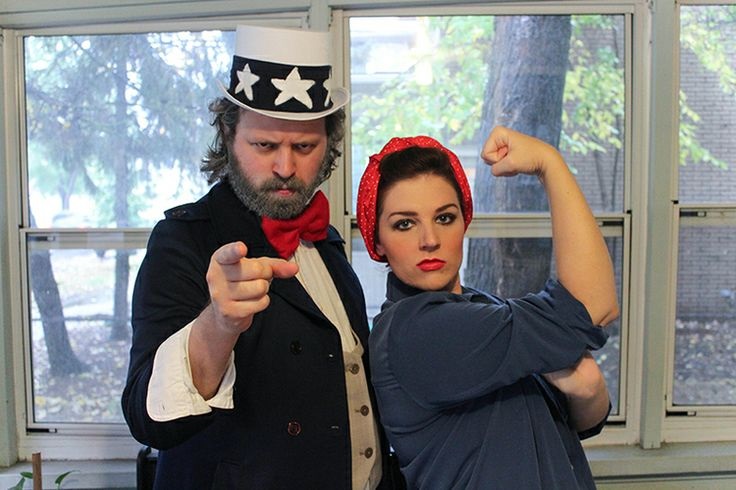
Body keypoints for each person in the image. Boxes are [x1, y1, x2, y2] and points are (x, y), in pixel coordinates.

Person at [122, 24, 404, 489]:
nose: (286, 167)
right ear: (229, 136)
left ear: (329, 145)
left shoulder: (328, 242)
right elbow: (146, 419)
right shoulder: (182, 240)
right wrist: (218, 325)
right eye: (265, 145)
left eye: (304, 146)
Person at [355, 128, 619, 489]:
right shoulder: (417, 331)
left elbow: (584, 419)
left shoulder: (485, 310)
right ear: (378, 241)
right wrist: (549, 164)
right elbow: (594, 305)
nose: (429, 240)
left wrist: (587, 388)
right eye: (404, 224)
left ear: (465, 220)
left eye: (444, 217)